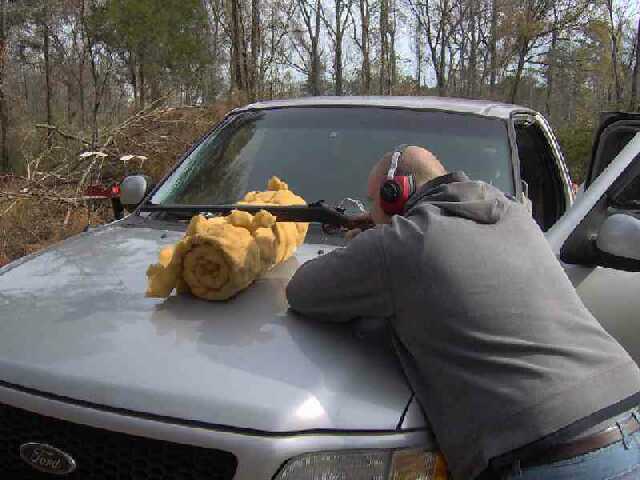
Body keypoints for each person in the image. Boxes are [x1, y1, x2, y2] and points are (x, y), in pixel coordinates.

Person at [286, 145, 640, 480]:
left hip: (555, 457)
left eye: (372, 198)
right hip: (629, 419)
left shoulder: (400, 243)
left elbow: (302, 290)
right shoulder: (514, 215)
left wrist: (374, 241)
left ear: (394, 194)